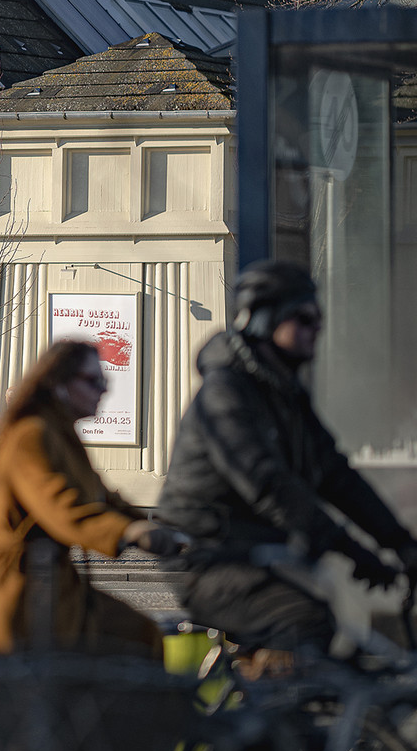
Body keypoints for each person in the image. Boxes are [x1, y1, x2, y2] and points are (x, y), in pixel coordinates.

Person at [157, 259, 417, 655]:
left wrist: (400, 543)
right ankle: (270, 695)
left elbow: (336, 476)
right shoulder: (226, 392)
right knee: (303, 621)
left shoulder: (285, 393)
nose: (318, 328)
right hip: (206, 557)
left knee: (349, 638)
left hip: (256, 550)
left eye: (319, 318)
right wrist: (351, 550)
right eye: (304, 318)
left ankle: (267, 684)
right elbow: (268, 484)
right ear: (264, 322)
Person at [0, 339, 178, 662]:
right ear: (58, 383)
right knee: (137, 646)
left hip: (57, 587)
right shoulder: (31, 434)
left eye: (105, 380)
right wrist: (126, 532)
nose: (103, 390)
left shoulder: (61, 433)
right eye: (92, 380)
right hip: (19, 594)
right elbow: (59, 506)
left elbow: (103, 498)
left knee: (143, 636)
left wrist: (161, 526)